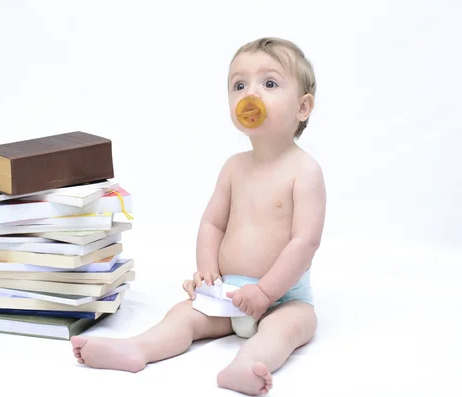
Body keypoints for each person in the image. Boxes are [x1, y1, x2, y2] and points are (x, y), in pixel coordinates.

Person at [70, 37, 326, 396]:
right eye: (239, 85)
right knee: (183, 315)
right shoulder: (234, 168)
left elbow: (306, 241)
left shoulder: (305, 171)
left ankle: (247, 366)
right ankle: (138, 348)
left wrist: (267, 292)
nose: (251, 93)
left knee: (290, 327)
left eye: (269, 83)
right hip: (228, 293)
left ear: (303, 107)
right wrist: (207, 272)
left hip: (284, 297)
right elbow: (213, 224)